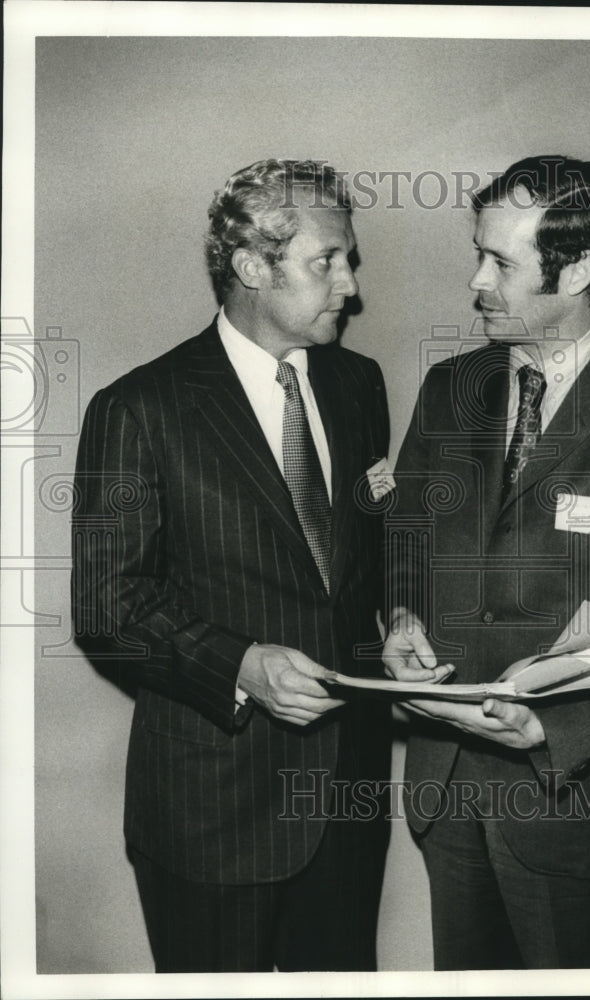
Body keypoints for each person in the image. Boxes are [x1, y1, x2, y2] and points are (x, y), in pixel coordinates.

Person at [383, 155, 590, 970]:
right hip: (448, 792)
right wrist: (398, 620)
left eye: (501, 262)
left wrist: (549, 725)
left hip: (573, 807)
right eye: (480, 253)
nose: (476, 281)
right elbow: (404, 541)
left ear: (577, 269)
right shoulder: (446, 388)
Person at [72, 159, 391, 972]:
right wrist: (242, 665)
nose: (350, 285)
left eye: (348, 259)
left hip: (347, 806)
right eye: (329, 261)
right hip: (214, 814)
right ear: (253, 267)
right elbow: (109, 608)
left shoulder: (360, 386)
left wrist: (397, 622)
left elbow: (360, 564)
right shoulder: (138, 408)